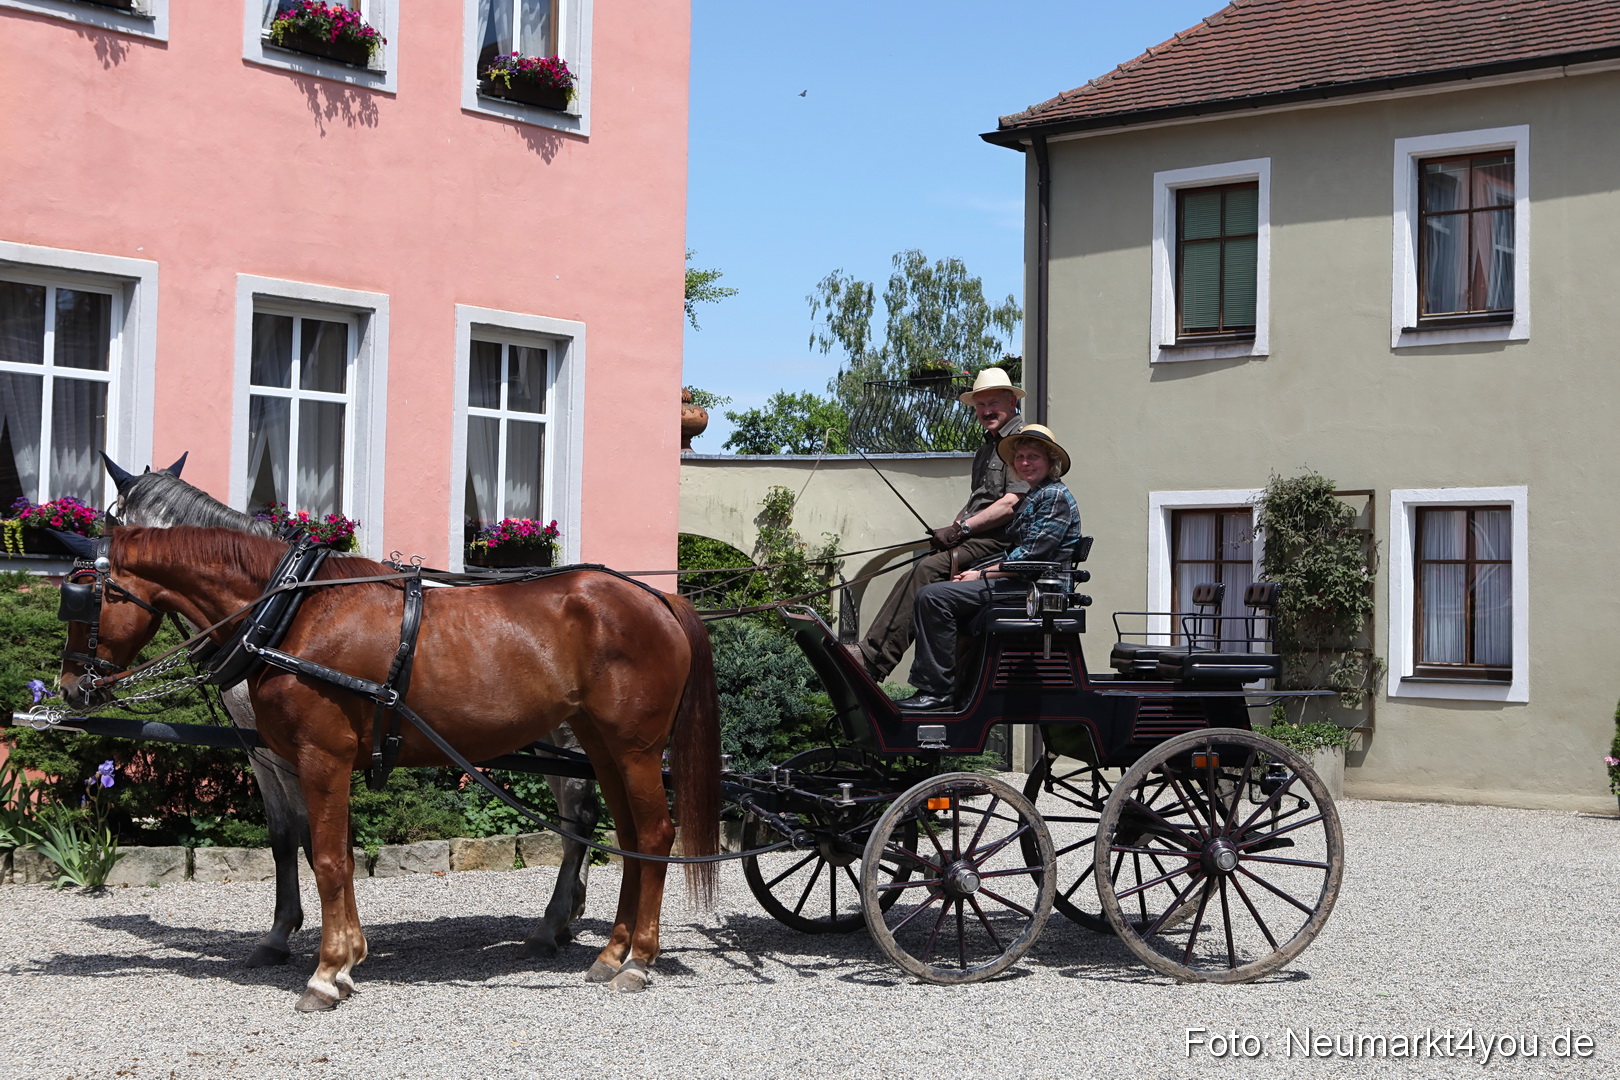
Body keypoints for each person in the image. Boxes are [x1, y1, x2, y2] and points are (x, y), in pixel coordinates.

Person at [851, 367, 1028, 681]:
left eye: (993, 403)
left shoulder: (1018, 443)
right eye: (980, 405)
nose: (986, 411)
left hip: (1001, 541)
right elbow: (980, 499)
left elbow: (1011, 503)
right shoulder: (987, 446)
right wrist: (952, 527)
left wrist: (961, 530)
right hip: (980, 537)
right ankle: (874, 654)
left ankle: (873, 660)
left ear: (1012, 401)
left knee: (926, 572)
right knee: (920, 565)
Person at [902, 424, 1081, 712]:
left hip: (1037, 592)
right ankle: (959, 687)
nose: (1024, 462)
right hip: (1023, 585)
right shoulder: (1037, 496)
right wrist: (972, 571)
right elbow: (1016, 553)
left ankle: (937, 692)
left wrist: (981, 573)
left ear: (1050, 461)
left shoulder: (1054, 497)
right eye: (1020, 457)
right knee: (943, 590)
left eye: (1033, 456)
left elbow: (1031, 558)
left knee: (933, 597)